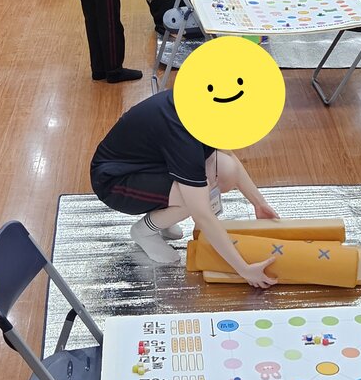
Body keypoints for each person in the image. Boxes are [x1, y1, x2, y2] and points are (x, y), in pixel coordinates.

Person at [91, 88, 280, 287]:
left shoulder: (206, 102)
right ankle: (144, 231)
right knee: (192, 198)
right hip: (114, 181)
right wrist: (244, 269)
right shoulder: (183, 136)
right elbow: (202, 214)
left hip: (149, 163)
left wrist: (259, 203)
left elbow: (229, 156)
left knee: (225, 168)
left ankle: (163, 216)